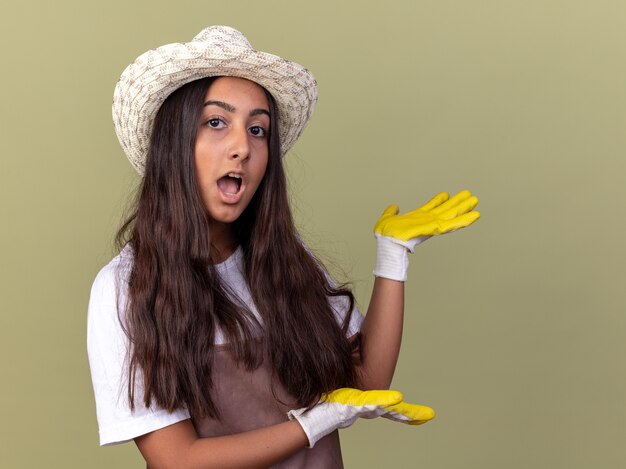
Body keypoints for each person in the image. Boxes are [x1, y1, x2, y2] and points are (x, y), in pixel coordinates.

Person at [87, 25, 480, 468]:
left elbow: (368, 381)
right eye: (216, 122)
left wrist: (393, 256)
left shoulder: (285, 263)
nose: (242, 147)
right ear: (174, 145)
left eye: (258, 130)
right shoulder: (125, 288)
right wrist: (312, 425)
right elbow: (177, 459)